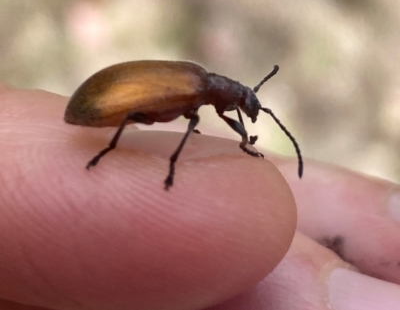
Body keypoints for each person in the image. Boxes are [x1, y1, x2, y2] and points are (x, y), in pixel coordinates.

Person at [1, 83, 400, 310]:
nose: (244, 109)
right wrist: (169, 166)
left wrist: (245, 140)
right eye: (242, 102)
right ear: (225, 94)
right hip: (106, 103)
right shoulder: (193, 89)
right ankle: (113, 151)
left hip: (113, 101)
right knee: (155, 132)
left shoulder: (201, 92)